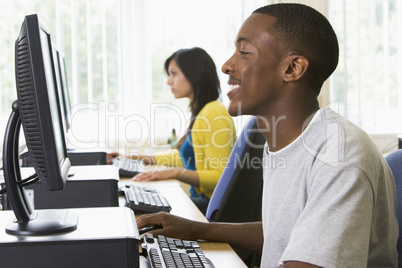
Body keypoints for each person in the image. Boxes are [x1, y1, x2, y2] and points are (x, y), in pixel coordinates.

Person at [135, 3, 398, 268]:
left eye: (244, 52)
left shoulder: (340, 155)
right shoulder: (280, 142)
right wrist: (196, 230)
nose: (227, 65)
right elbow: (282, 233)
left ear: (292, 68)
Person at [109, 47, 236, 215]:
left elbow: (220, 177)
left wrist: (174, 173)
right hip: (205, 202)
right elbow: (184, 158)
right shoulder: (204, 110)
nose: (169, 81)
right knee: (137, 202)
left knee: (137, 212)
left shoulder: (213, 112)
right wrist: (132, 157)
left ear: (195, 74)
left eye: (173, 73)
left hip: (210, 207)